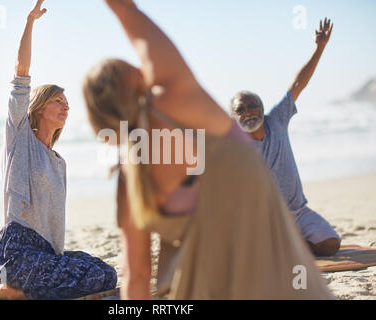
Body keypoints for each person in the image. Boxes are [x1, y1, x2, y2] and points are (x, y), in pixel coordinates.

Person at [83, 0, 333, 299]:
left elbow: (136, 276)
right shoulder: (178, 97)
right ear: (139, 77)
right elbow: (129, 12)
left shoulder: (129, 179)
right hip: (275, 280)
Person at [0, 0, 117, 300]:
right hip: (15, 252)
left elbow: (55, 225)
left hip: (45, 253)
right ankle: (11, 290)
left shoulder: (59, 162)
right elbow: (21, 73)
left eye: (67, 104)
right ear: (40, 106)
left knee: (103, 272)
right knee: (92, 279)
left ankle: (16, 292)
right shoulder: (20, 139)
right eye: (59, 101)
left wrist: (61, 259)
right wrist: (30, 21)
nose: (66, 107)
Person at [230, 18, 341, 257]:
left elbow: (298, 83)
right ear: (234, 117)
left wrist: (319, 49)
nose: (248, 111)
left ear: (262, 107)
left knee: (331, 243)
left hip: (298, 212)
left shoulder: (277, 120)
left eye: (252, 105)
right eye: (241, 109)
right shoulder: (234, 145)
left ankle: (290, 247)